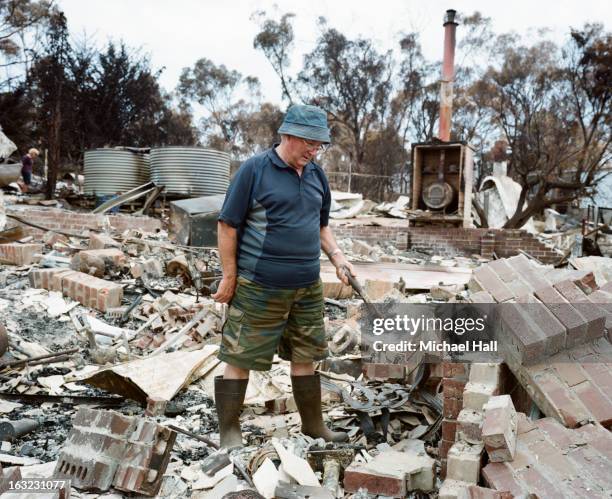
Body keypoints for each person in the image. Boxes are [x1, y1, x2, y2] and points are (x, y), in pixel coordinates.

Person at [212, 104, 356, 449]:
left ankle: (313, 426)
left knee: (306, 357)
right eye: (309, 142)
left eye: (319, 145)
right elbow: (227, 224)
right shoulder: (254, 170)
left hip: (306, 289)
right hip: (258, 286)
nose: (314, 150)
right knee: (239, 357)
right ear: (287, 134)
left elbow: (321, 226)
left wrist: (338, 257)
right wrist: (229, 276)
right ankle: (230, 431)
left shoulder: (317, 176)